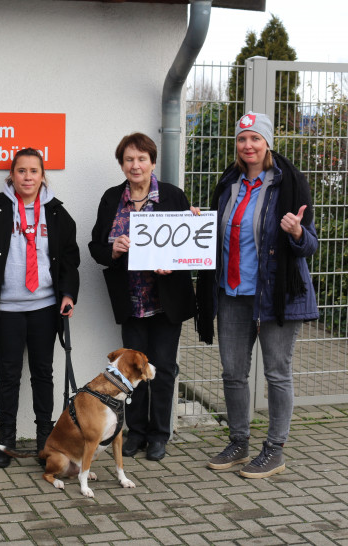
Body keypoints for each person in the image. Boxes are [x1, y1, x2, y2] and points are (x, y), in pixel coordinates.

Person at [197, 112, 318, 478]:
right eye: (242, 139)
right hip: (232, 293)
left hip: (275, 296)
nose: (248, 145)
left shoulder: (290, 183)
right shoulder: (229, 184)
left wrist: (297, 233)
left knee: (277, 373)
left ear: (267, 142)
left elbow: (311, 244)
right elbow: (217, 236)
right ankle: (239, 441)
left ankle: (275, 449)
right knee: (233, 372)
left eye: (255, 138)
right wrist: (196, 224)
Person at [0, 147, 80, 468]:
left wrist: (68, 293)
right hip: (8, 312)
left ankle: (47, 440)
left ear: (43, 176)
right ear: (11, 175)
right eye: (21, 171)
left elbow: (69, 258)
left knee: (43, 374)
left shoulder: (56, 213)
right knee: (9, 375)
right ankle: (6, 440)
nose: (27, 177)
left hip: (45, 308)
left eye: (34, 171)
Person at [88, 132, 196, 462]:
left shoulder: (174, 197)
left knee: (162, 369)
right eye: (129, 159)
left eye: (141, 159)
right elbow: (96, 248)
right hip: (131, 302)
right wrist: (114, 250)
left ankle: (159, 434)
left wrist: (176, 260)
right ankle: (135, 432)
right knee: (131, 373)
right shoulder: (111, 199)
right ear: (122, 164)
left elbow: (189, 248)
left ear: (152, 162)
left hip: (166, 303)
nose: (135, 165)